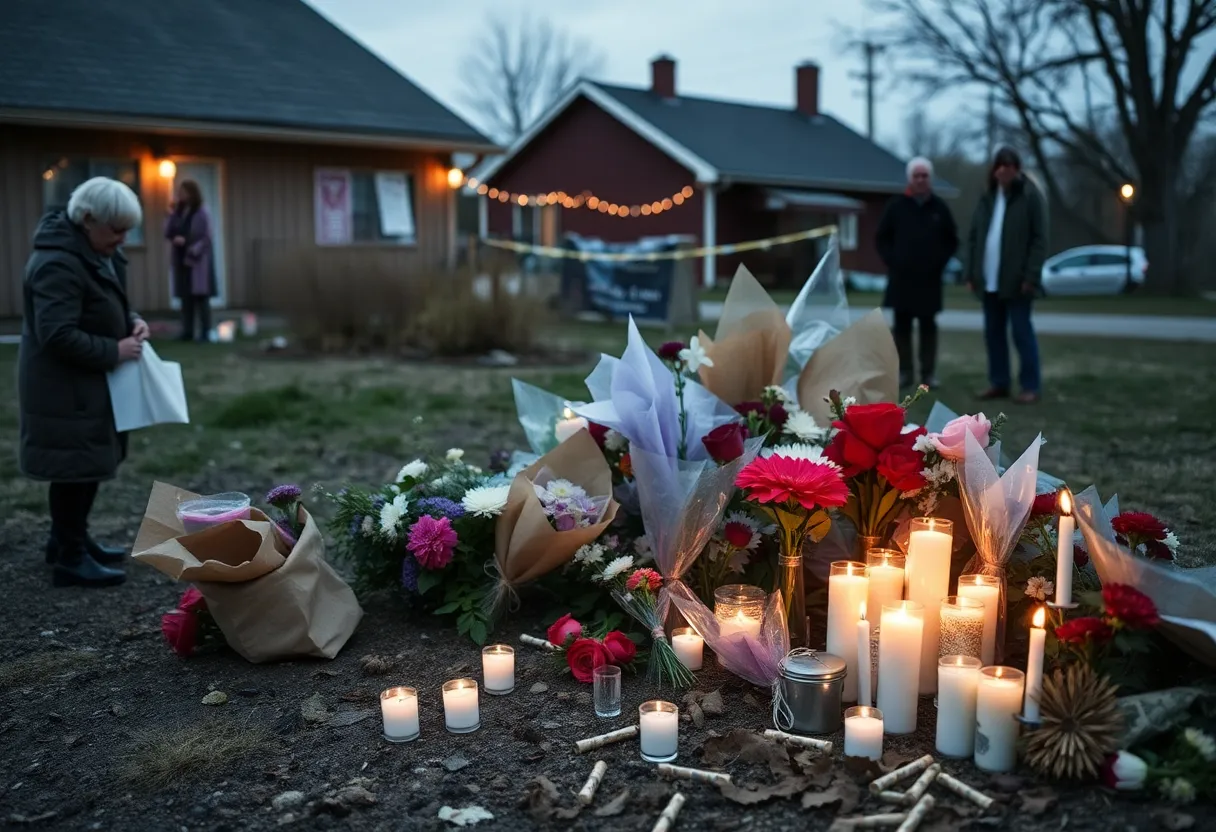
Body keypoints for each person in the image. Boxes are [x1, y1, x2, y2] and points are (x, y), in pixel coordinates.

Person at [19, 176, 149, 587]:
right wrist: (115, 350)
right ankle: (70, 559)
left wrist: (131, 321)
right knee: (73, 470)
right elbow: (56, 333)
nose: (122, 239)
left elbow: (102, 303)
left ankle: (67, 541)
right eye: (116, 230)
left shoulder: (92, 251)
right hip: (64, 390)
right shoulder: (57, 262)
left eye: (128, 230)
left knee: (85, 467)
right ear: (87, 219)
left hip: (87, 386)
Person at [964, 146, 1047, 404]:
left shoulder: (1030, 197)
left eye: (1009, 166)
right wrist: (971, 272)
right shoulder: (987, 198)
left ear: (1017, 169)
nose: (1004, 170)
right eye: (999, 165)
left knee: (1022, 334)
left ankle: (1030, 386)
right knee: (993, 335)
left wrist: (1030, 276)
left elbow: (1039, 239)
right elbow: (974, 237)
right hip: (989, 281)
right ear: (994, 170)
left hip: (1018, 282)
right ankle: (999, 383)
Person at [875, 156, 959, 389]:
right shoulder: (896, 206)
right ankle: (905, 373)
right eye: (916, 176)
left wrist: (938, 263)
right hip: (902, 280)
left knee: (928, 328)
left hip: (929, 281)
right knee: (901, 328)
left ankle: (928, 374)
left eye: (925, 176)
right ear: (910, 179)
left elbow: (952, 241)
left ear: (930, 179)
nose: (921, 180)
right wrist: (894, 261)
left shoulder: (940, 208)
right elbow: (881, 239)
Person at [165, 179, 216, 341]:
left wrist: (189, 245)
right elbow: (168, 232)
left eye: (183, 192)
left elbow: (206, 237)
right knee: (185, 298)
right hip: (180, 259)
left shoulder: (201, 212)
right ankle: (187, 331)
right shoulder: (179, 212)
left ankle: (205, 332)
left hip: (196, 261)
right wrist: (172, 213)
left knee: (201, 298)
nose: (180, 195)